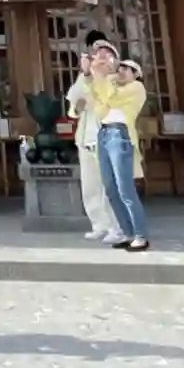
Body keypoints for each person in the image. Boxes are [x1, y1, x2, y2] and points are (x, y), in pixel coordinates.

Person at [94, 56, 150, 251]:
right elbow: (99, 108)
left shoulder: (137, 88)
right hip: (104, 133)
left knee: (125, 188)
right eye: (121, 67)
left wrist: (106, 79)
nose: (122, 71)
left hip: (120, 134)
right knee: (110, 188)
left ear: (136, 74)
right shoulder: (114, 86)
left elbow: (111, 99)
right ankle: (127, 233)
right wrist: (103, 78)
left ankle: (140, 235)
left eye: (128, 69)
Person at [67, 36, 120, 243]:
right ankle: (99, 225)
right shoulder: (86, 77)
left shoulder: (117, 80)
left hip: (108, 137)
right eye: (97, 54)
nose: (100, 57)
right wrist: (86, 75)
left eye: (106, 54)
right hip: (86, 136)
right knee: (91, 186)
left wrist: (92, 78)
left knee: (110, 186)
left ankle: (116, 226)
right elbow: (74, 104)